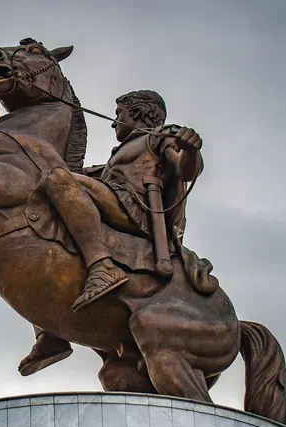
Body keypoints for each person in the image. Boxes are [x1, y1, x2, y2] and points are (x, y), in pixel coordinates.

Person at [18, 89, 204, 376]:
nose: (114, 121)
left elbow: (185, 169)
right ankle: (49, 331)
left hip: (135, 210)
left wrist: (190, 149)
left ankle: (102, 267)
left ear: (141, 113)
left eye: (120, 114)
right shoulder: (120, 153)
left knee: (57, 177)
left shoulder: (158, 136)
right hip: (113, 205)